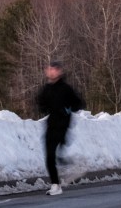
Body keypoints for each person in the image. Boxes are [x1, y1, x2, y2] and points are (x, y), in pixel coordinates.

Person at [35, 61, 84, 196]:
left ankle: (70, 167)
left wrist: (67, 109)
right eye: (49, 69)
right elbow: (40, 103)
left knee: (55, 152)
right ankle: (55, 185)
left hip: (63, 124)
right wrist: (43, 107)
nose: (51, 72)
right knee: (50, 156)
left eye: (54, 69)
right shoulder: (46, 89)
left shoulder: (66, 88)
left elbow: (79, 103)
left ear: (59, 71)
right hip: (51, 124)